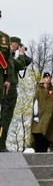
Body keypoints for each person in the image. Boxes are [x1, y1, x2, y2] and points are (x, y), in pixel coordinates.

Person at [0, 36, 29, 152]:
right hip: (9, 88)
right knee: (6, 117)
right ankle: (1, 145)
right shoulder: (8, 56)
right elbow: (20, 65)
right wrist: (21, 54)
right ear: (13, 44)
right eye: (18, 46)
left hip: (5, 87)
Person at [30, 72, 53, 152]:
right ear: (43, 79)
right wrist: (36, 115)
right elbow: (36, 102)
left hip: (49, 117)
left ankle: (44, 151)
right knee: (38, 132)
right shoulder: (39, 89)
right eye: (46, 78)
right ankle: (38, 151)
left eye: (49, 78)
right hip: (39, 116)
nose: (48, 79)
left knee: (47, 133)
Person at [0, 11, 11, 153]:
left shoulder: (4, 38)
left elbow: (8, 60)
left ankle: (0, 144)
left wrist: (8, 79)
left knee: (1, 114)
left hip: (1, 78)